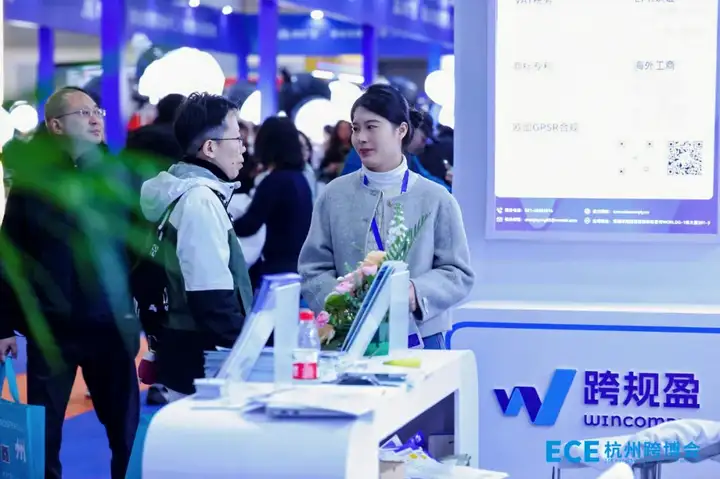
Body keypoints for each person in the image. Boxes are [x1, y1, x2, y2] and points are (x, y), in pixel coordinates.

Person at [0, 86, 140, 479]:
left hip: (110, 326)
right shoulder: (33, 182)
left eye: (97, 112)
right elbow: (10, 255)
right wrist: (3, 324)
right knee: (43, 436)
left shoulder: (120, 173)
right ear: (56, 126)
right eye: (83, 113)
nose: (95, 119)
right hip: (51, 331)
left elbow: (140, 249)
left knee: (126, 434)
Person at [298, 84, 474, 349]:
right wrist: (339, 302)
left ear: (401, 130)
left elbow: (458, 272)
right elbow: (312, 267)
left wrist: (414, 293)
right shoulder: (334, 194)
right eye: (356, 128)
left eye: (372, 127)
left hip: (421, 339)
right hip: (348, 337)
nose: (361, 138)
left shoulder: (436, 198)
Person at [139, 92, 253, 399]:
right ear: (210, 148)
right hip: (203, 357)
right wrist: (250, 351)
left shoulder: (178, 189)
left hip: (181, 346)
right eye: (237, 138)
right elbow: (210, 296)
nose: (243, 148)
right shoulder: (199, 200)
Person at [124, 93, 185, 406]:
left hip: (132, 224)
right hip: (166, 229)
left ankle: (119, 371)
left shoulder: (136, 137)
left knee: (133, 299)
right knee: (166, 302)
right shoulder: (180, 142)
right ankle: (162, 377)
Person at [234, 117, 313, 290]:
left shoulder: (275, 181)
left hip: (276, 269)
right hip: (297, 264)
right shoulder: (300, 179)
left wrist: (224, 223)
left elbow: (249, 225)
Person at [341, 109, 450, 191]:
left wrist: (451, 190)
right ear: (409, 130)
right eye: (423, 139)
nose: (423, 146)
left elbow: (423, 178)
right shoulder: (371, 149)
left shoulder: (407, 155)